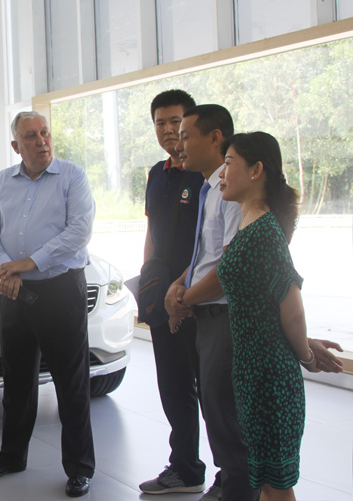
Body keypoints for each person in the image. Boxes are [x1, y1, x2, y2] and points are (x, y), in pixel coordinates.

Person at [216, 132, 344, 501]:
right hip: (254, 374)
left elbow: (292, 309)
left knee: (276, 486)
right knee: (268, 483)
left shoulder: (263, 233)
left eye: (229, 163)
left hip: (271, 379)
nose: (222, 172)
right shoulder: (251, 226)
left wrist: (306, 354)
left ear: (256, 170)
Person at [0, 111, 96, 498]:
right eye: (31, 136)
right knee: (16, 382)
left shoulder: (72, 176)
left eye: (45, 132)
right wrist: (6, 267)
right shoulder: (2, 181)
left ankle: (79, 468)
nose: (42, 140)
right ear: (16, 146)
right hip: (14, 293)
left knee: (70, 383)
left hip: (60, 289)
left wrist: (29, 263)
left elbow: (79, 231)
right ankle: (11, 456)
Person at [164, 104, 260, 501]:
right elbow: (206, 255)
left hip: (225, 316)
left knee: (228, 421)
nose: (178, 144)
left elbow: (229, 267)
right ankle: (229, 485)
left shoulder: (231, 190)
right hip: (207, 315)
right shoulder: (209, 187)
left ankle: (239, 490)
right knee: (217, 416)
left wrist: (183, 297)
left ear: (215, 137)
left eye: (186, 136)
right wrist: (178, 284)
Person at [138, 90, 215, 497]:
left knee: (214, 389)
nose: (169, 130)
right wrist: (147, 282)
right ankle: (185, 468)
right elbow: (152, 231)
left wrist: (187, 289)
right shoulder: (157, 174)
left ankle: (232, 475)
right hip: (162, 301)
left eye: (176, 123)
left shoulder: (208, 173)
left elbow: (212, 243)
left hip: (203, 299)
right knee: (173, 386)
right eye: (160, 123)